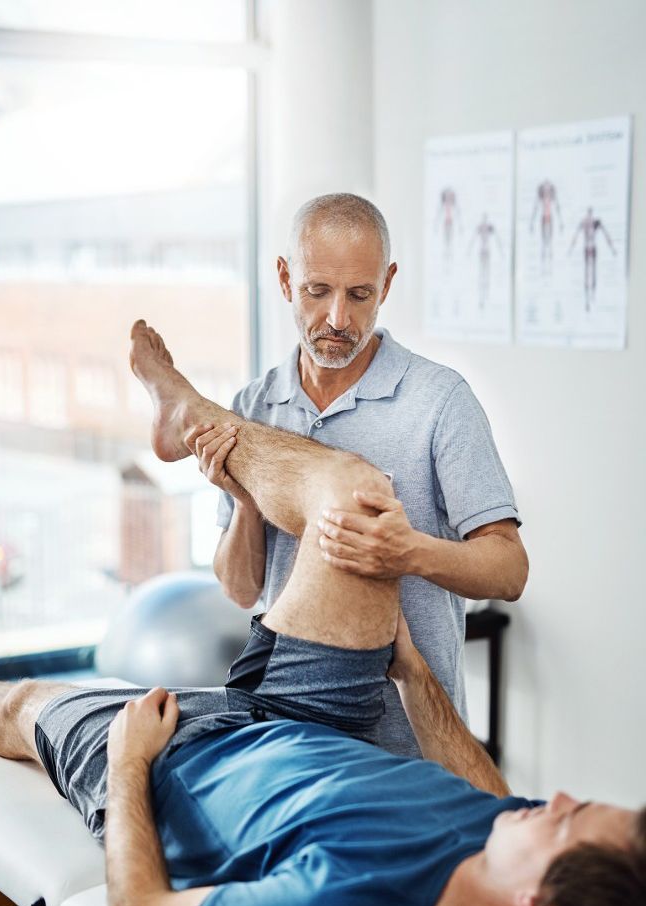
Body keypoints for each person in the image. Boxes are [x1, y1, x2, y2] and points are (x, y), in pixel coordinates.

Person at [0, 321, 644, 906]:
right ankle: (185, 410)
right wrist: (411, 672)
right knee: (357, 493)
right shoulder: (505, 831)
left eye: (569, 822)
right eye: (316, 291)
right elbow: (494, 791)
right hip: (309, 714)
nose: (562, 799)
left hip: (179, 762)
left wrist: (129, 761)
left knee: (18, 706)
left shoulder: (356, 895)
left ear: (533, 904)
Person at [210, 193, 529, 757]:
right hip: (295, 732)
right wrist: (243, 500)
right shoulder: (254, 406)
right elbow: (241, 590)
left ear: (386, 285)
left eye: (359, 295)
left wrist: (407, 553)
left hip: (412, 743)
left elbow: (509, 570)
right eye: (317, 291)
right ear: (285, 280)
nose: (338, 319)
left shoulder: (440, 401)